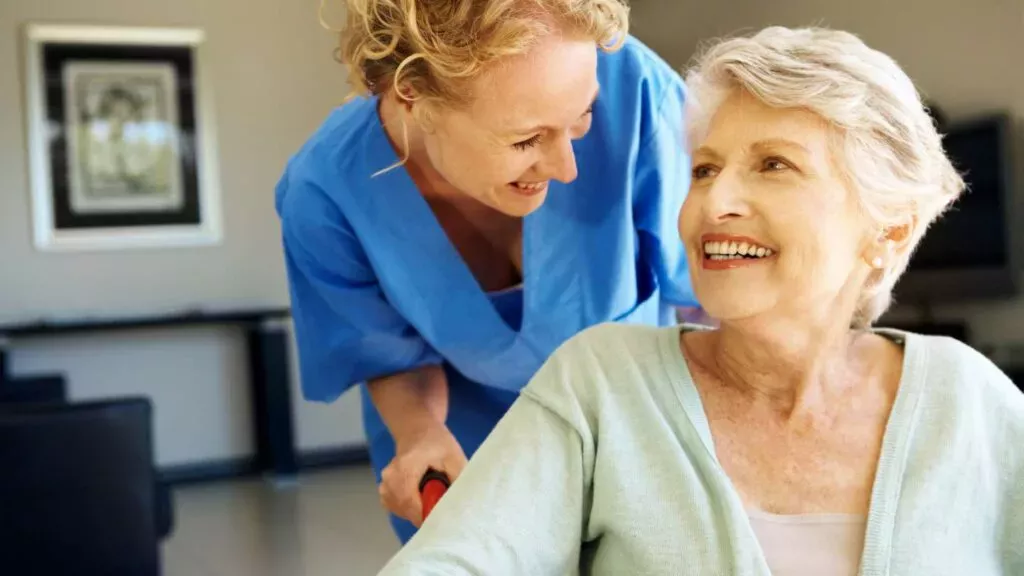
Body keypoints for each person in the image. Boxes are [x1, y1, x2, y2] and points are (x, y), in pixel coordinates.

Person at [376, 26, 1024, 575]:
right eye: (706, 169)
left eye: (774, 165)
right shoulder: (601, 386)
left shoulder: (969, 400)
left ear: (891, 227)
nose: (714, 203)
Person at [274, 0, 699, 543]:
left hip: (639, 439)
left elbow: (713, 292)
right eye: (525, 139)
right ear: (412, 96)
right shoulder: (326, 194)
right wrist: (420, 433)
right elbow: (383, 352)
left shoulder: (635, 91)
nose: (567, 168)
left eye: (582, 121)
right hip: (465, 459)